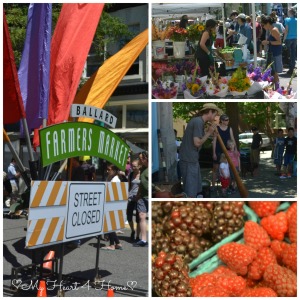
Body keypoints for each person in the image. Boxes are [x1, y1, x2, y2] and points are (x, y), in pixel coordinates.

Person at [179, 103, 222, 198]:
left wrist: (210, 134)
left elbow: (200, 140)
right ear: (210, 112)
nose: (215, 117)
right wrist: (209, 132)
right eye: (215, 114)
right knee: (191, 191)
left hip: (191, 159)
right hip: (189, 160)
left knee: (195, 189)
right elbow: (197, 143)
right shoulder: (198, 122)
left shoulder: (199, 122)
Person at [101, 164, 123, 250]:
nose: (107, 171)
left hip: (111, 204)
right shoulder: (112, 178)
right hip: (112, 203)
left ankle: (112, 245)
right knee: (110, 225)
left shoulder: (115, 180)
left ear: (114, 170)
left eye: (109, 169)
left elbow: (112, 193)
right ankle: (117, 243)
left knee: (109, 225)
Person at [211, 114, 236, 191]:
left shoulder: (229, 129)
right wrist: (214, 153)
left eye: (228, 119)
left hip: (228, 151)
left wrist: (235, 149)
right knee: (215, 168)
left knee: (229, 169)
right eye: (226, 120)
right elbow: (214, 141)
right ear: (221, 120)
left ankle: (228, 185)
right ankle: (213, 185)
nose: (227, 121)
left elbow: (233, 139)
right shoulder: (217, 128)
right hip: (218, 151)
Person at [68, 157, 85, 248]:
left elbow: (77, 183)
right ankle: (75, 240)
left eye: (72, 161)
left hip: (77, 196)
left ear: (75, 161)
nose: (71, 163)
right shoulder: (77, 169)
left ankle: (76, 241)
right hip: (77, 195)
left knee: (75, 219)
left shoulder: (78, 170)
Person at [261, 15, 283, 89]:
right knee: (273, 72)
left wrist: (268, 42)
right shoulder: (271, 30)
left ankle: (277, 89)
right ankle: (275, 88)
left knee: (275, 73)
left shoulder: (274, 30)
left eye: (263, 25)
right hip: (272, 53)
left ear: (267, 23)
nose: (263, 26)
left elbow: (279, 42)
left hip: (275, 53)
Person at [134, 151, 148, 247]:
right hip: (142, 196)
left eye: (141, 158)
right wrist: (138, 194)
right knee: (141, 216)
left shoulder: (149, 169)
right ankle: (143, 240)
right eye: (139, 158)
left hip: (150, 195)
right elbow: (142, 184)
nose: (139, 160)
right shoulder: (142, 169)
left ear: (145, 158)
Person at [127, 159, 141, 242]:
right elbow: (129, 186)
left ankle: (138, 236)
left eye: (135, 166)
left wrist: (139, 195)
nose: (133, 167)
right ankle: (132, 230)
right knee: (129, 216)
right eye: (132, 166)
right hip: (131, 197)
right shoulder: (131, 174)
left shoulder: (142, 175)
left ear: (139, 166)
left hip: (139, 198)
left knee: (138, 218)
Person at [283, 8, 297, 75]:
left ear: (290, 13)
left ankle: (289, 68)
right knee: (293, 54)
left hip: (288, 38)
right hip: (295, 38)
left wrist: (284, 39)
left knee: (287, 53)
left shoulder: (287, 19)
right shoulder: (297, 20)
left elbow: (286, 30)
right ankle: (292, 67)